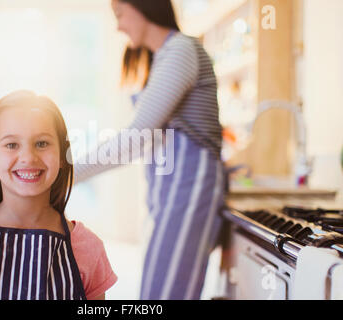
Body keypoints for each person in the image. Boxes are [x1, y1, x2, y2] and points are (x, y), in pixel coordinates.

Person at [73, 0, 226, 300]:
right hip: (171, 192)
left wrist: (68, 174)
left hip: (189, 189)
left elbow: (136, 138)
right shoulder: (163, 57)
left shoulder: (181, 50)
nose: (118, 26)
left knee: (166, 294)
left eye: (119, 14)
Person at [0, 90, 117, 300]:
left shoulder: (88, 248)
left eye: (42, 143)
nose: (28, 157)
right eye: (11, 145)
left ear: (63, 156)